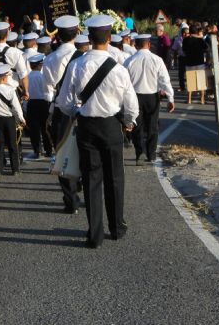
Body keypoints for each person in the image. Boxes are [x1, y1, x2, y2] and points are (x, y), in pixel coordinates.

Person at [56, 14, 139, 249]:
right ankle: (116, 227)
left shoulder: (76, 64)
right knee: (115, 177)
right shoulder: (119, 69)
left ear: (89, 38)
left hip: (87, 126)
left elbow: (63, 102)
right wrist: (130, 123)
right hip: (112, 125)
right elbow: (131, 105)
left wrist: (75, 112)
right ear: (110, 38)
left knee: (91, 178)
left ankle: (94, 234)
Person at [42, 14, 83, 214]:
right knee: (83, 150)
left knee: (61, 153)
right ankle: (81, 184)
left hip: (60, 109)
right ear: (77, 33)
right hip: (82, 109)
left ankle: (70, 198)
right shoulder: (84, 57)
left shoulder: (50, 58)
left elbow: (47, 87)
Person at [124, 34, 175, 164]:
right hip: (152, 96)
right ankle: (151, 154)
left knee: (137, 125)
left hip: (135, 96)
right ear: (149, 44)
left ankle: (139, 151)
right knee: (152, 125)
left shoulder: (129, 61)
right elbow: (165, 80)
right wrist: (170, 98)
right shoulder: (157, 59)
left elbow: (123, 82)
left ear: (135, 45)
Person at [0, 64, 25, 176]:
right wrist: (21, 119)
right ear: (5, 78)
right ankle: (15, 169)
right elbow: (16, 107)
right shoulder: (11, 90)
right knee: (12, 144)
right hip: (9, 120)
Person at [0, 22, 29, 98]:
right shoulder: (16, 53)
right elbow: (23, 76)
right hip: (12, 94)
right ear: (7, 34)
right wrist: (25, 92)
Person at [26, 53, 53, 159]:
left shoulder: (27, 77)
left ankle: (37, 151)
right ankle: (48, 150)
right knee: (44, 128)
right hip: (43, 103)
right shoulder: (43, 77)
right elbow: (48, 91)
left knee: (34, 129)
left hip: (31, 103)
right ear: (40, 65)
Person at [182, 24, 208, 105]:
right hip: (199, 61)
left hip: (189, 62)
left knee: (190, 81)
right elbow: (206, 48)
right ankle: (202, 99)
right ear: (196, 31)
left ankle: (189, 99)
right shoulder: (200, 40)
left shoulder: (186, 40)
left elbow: (183, 50)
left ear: (189, 31)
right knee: (201, 81)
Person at [171, 23, 189, 91]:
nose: (184, 34)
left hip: (189, 57)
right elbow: (174, 49)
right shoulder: (178, 39)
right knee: (181, 73)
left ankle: (191, 87)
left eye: (186, 33)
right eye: (183, 32)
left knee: (189, 73)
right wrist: (174, 58)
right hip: (181, 57)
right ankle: (182, 87)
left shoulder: (190, 38)